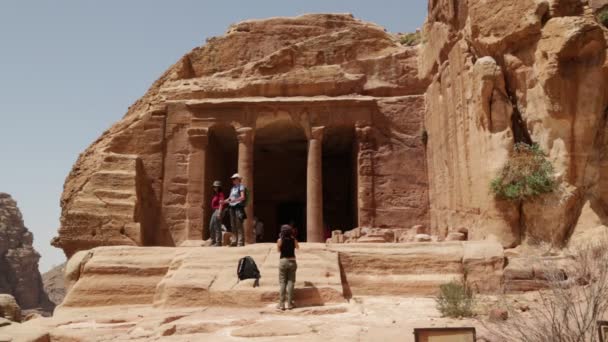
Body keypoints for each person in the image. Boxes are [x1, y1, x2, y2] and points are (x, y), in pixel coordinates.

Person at [277, 224, 299, 310]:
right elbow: (297, 247)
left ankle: (281, 304)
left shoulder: (280, 240)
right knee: (291, 282)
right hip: (292, 261)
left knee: (282, 282)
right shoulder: (294, 240)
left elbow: (278, 250)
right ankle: (290, 304)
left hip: (283, 261)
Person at [224, 173, 247, 246]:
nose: (233, 180)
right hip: (232, 207)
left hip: (238, 207)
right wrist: (224, 201)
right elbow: (230, 198)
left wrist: (235, 200)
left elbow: (242, 197)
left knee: (239, 224)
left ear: (238, 179)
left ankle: (240, 241)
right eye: (232, 179)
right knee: (233, 224)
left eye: (234, 179)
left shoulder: (241, 187)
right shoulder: (233, 188)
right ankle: (234, 241)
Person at [208, 180, 224, 246]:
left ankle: (218, 242)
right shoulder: (216, 194)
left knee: (217, 226)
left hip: (218, 210)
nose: (215, 188)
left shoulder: (221, 194)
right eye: (214, 187)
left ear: (219, 187)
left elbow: (221, 203)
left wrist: (219, 212)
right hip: (214, 211)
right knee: (211, 226)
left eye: (216, 187)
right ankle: (213, 240)